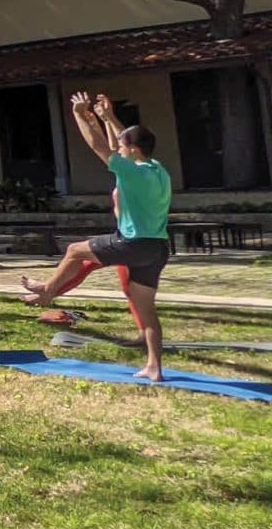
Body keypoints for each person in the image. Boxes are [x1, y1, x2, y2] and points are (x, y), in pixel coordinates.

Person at [20, 93, 170, 381]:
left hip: (132, 243)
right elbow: (120, 141)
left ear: (134, 150)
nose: (119, 150)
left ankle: (48, 290)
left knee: (76, 250)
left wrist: (79, 115)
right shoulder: (157, 168)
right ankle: (154, 367)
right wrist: (108, 118)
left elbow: (99, 146)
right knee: (146, 311)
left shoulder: (131, 172)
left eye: (124, 148)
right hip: (158, 247)